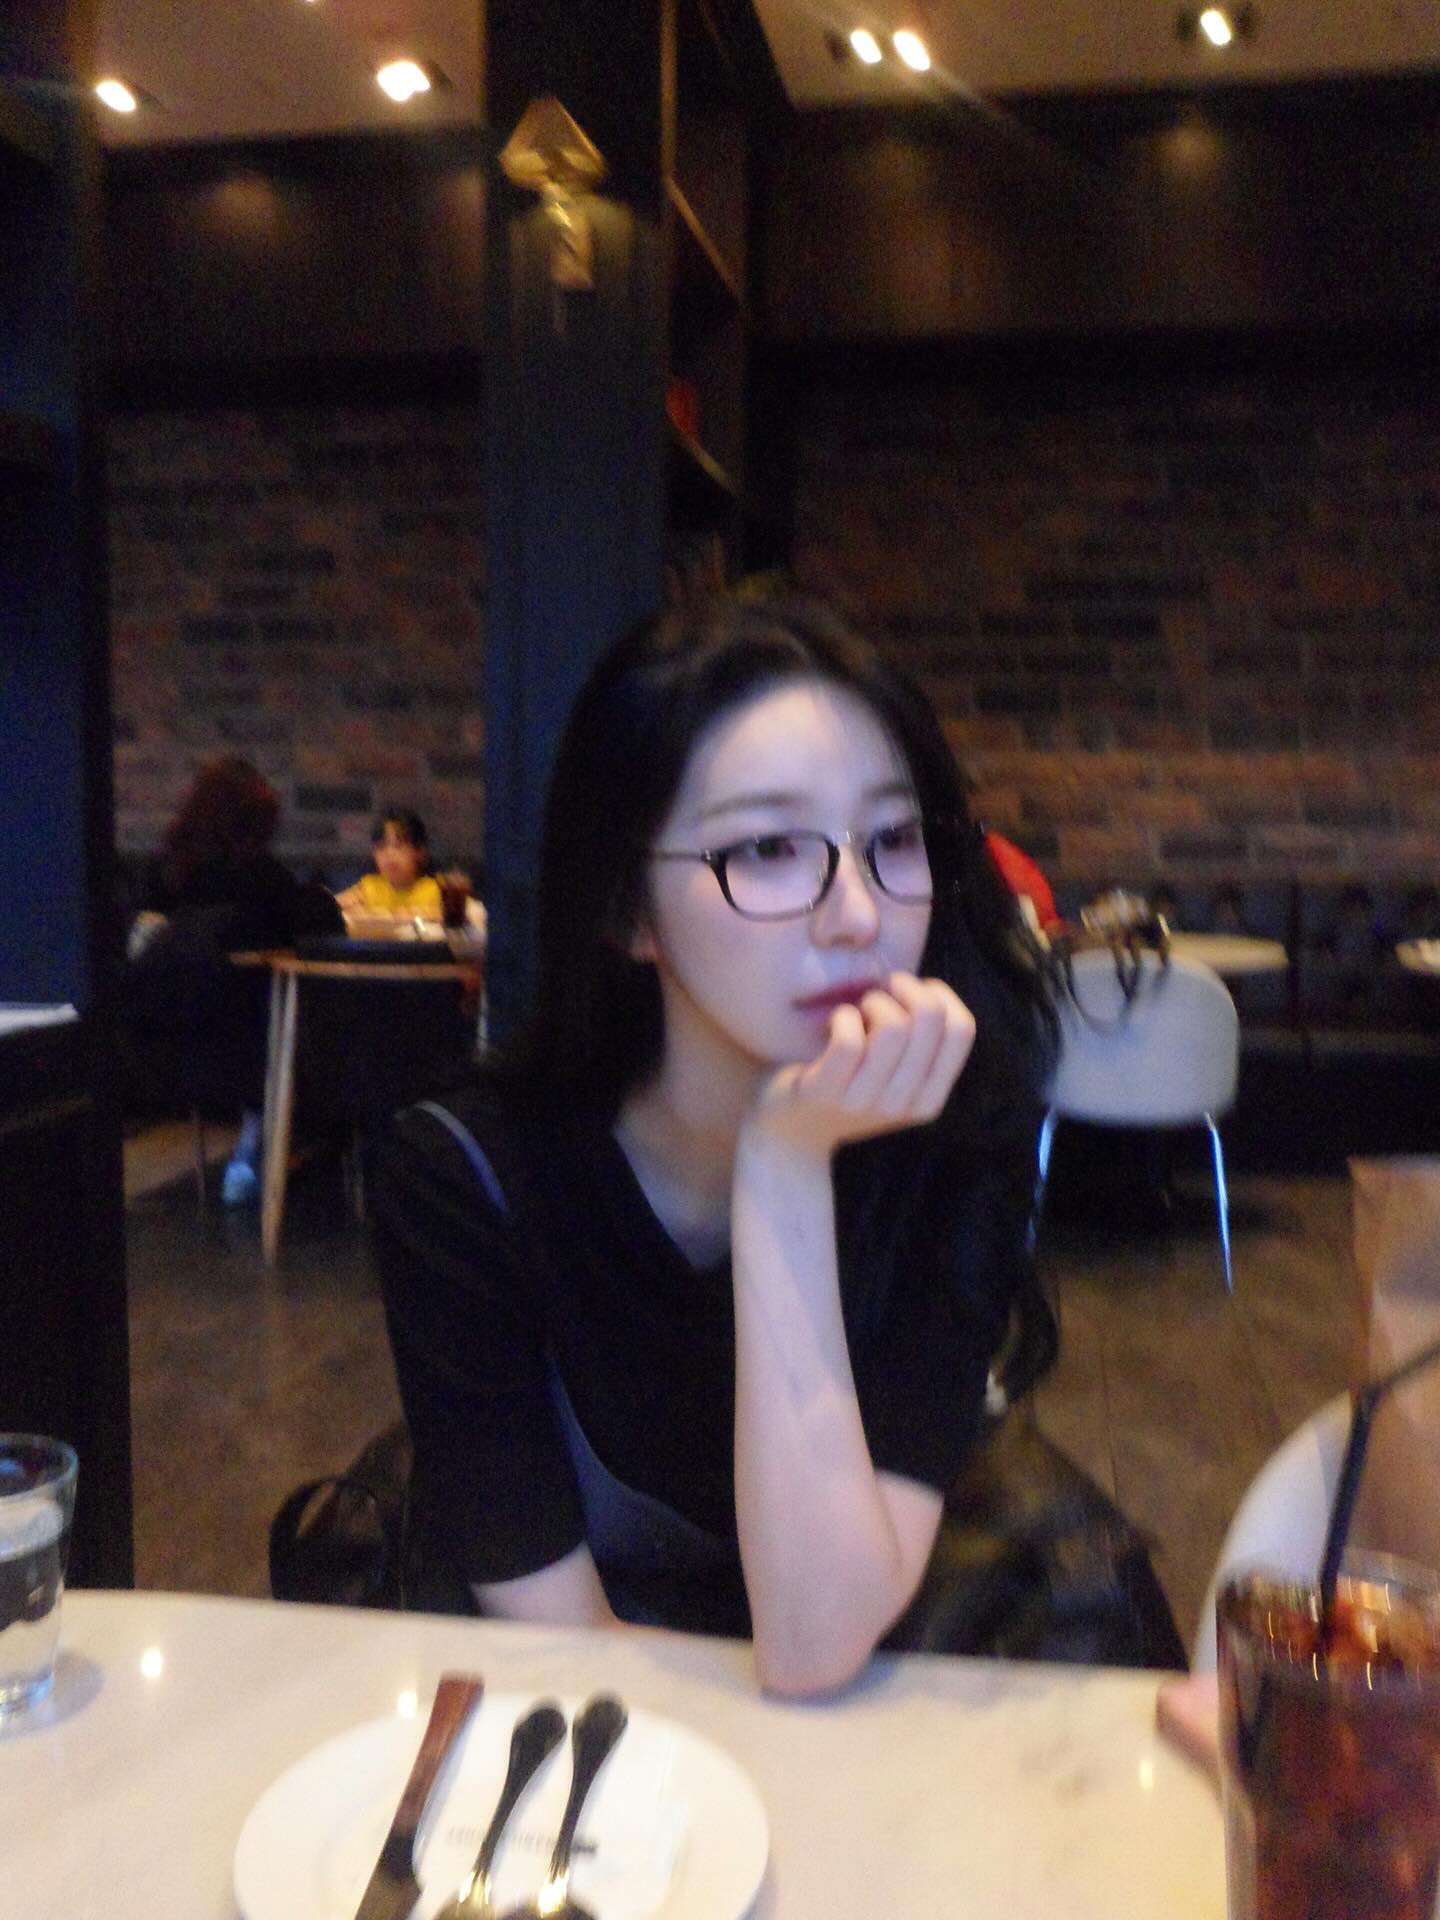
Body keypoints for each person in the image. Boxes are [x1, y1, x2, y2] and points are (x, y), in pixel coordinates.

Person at [373, 596, 1057, 1696]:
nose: (858, 914)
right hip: (591, 1742)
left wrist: (784, 1170)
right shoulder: (465, 1177)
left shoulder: (959, 1138)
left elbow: (817, 1638)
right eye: (770, 848)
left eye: (893, 840)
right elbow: (562, 1645)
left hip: (870, 1717)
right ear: (626, 910)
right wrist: (780, 1157)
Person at [124, 756, 341, 1204]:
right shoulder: (260, 879)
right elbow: (322, 927)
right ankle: (280, 1145)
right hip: (254, 1056)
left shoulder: (162, 875)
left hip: (160, 1054)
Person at [335, 810, 444, 922]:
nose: (389, 854)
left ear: (420, 852)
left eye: (398, 846)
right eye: (381, 847)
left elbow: (449, 916)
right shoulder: (369, 887)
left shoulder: (436, 890)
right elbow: (332, 906)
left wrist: (379, 914)